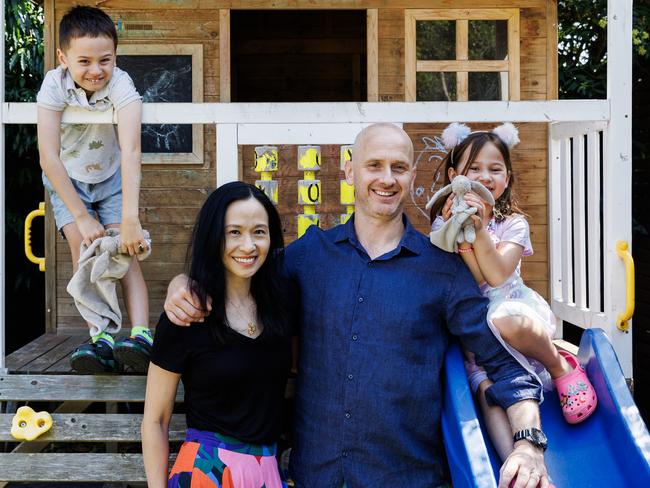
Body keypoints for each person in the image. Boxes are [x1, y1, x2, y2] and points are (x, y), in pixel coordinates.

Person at [164, 123, 550, 488]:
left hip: (408, 478)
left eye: (398, 167)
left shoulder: (443, 269)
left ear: (412, 176)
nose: (386, 178)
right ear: (350, 171)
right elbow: (238, 275)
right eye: (374, 165)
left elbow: (502, 364)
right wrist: (185, 284)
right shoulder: (309, 256)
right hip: (317, 475)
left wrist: (529, 445)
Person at [429, 123, 597, 460]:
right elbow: (471, 277)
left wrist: (478, 229)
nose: (484, 176)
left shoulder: (514, 224)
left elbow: (495, 275)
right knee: (487, 389)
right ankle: (515, 465)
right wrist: (458, 233)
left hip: (516, 314)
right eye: (473, 169)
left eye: (495, 169)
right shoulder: (442, 225)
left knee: (503, 317)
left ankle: (560, 365)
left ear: (507, 177)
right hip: (477, 326)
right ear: (453, 175)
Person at [142, 182, 292, 488]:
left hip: (267, 471)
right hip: (206, 472)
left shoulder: (283, 304)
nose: (248, 246)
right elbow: (155, 420)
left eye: (259, 232)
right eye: (234, 232)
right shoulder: (185, 315)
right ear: (214, 237)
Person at [37, 6, 152, 373]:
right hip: (68, 179)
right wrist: (82, 217)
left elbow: (132, 150)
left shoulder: (120, 83)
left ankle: (140, 335)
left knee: (125, 249)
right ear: (63, 58)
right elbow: (48, 157)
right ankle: (99, 335)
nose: (96, 70)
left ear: (115, 57)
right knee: (84, 251)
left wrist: (130, 219)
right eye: (84, 60)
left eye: (105, 59)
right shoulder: (54, 85)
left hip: (112, 176)